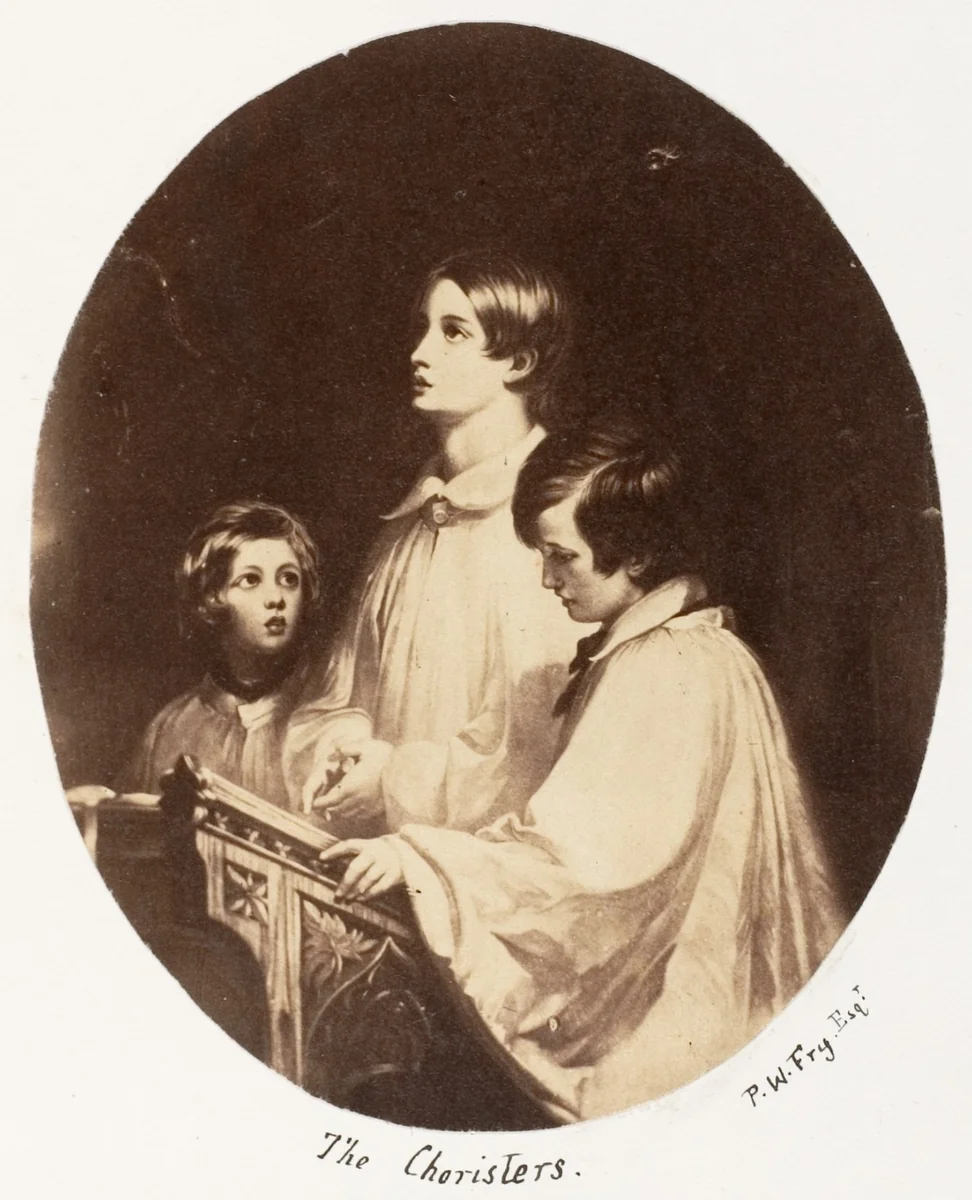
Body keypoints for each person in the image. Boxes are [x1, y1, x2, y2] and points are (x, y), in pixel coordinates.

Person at [319, 426, 846, 1122]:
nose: (546, 578)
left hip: (683, 1020)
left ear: (639, 554)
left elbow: (580, 869)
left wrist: (417, 858)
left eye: (562, 557)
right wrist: (391, 774)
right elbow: (507, 760)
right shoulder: (671, 649)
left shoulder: (668, 668)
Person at [284, 249, 591, 834]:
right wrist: (344, 750)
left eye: (452, 333)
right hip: (374, 860)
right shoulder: (408, 524)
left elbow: (544, 753)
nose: (419, 354)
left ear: (519, 362)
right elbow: (337, 695)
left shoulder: (554, 522)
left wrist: (393, 782)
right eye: (424, 329)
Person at [67, 500, 320, 812]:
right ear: (214, 597)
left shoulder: (327, 713)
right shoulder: (170, 726)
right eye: (251, 580)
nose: (276, 599)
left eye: (289, 579)